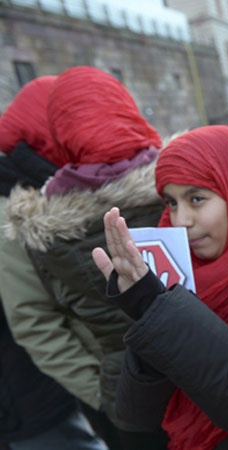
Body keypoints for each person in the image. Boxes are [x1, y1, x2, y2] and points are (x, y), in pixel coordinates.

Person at [91, 125, 228, 449]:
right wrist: (148, 310)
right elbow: (136, 415)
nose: (181, 219)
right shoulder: (179, 271)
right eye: (171, 202)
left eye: (197, 198)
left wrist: (161, 313)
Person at [4, 66, 168, 450]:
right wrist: (102, 393)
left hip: (129, 384)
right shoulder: (18, 214)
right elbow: (34, 321)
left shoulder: (50, 207)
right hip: (129, 387)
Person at [0, 76, 108, 450]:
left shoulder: (42, 186)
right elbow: (34, 321)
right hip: (33, 403)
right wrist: (108, 397)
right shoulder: (11, 210)